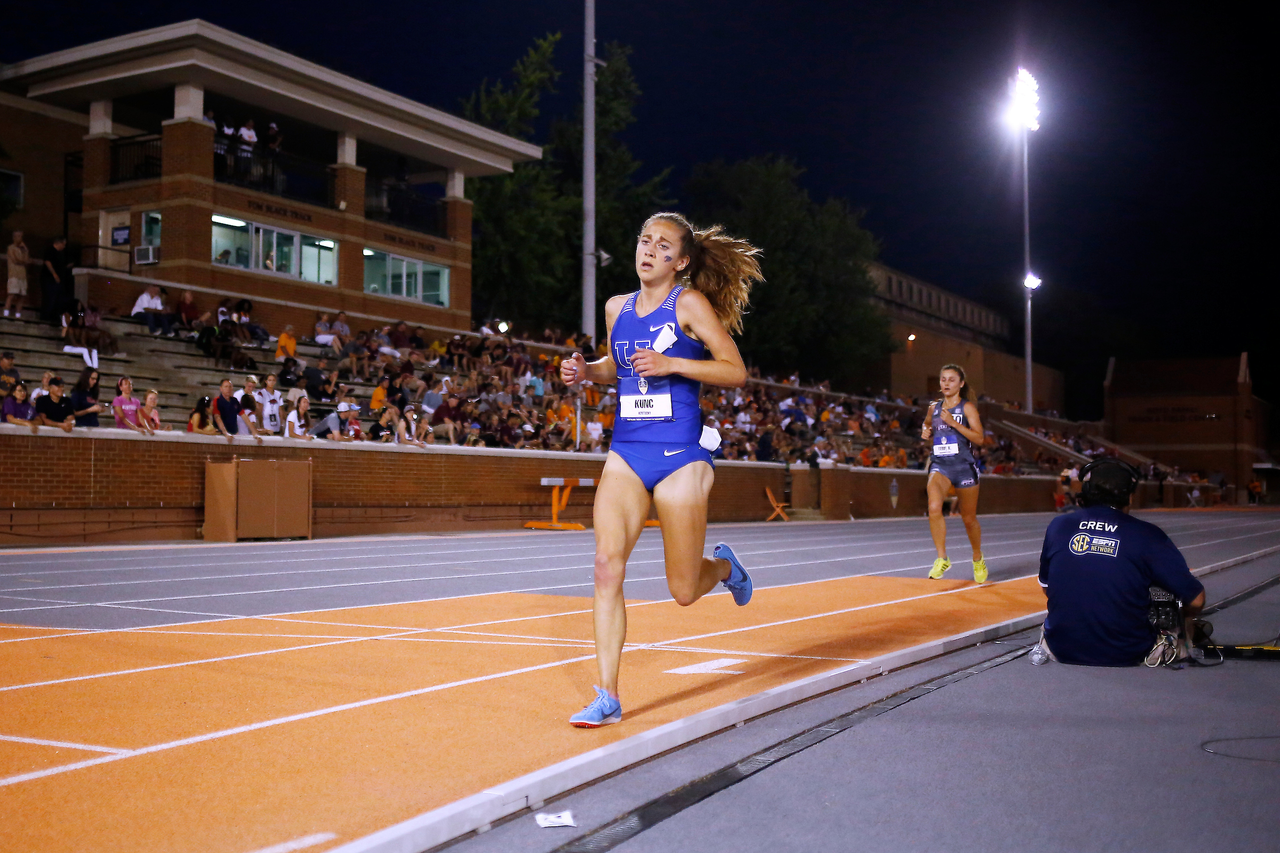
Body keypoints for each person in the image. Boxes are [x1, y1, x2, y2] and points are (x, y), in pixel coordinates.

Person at [559, 212, 763, 728]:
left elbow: (734, 370)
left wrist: (674, 364)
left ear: (682, 261)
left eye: (663, 246)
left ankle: (724, 568)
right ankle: (607, 695)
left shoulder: (689, 304)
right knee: (607, 566)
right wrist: (588, 371)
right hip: (627, 452)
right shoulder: (616, 308)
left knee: (684, 591)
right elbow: (617, 366)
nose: (649, 250)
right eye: (644, 240)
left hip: (680, 457)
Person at [1033, 457, 1205, 667]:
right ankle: (1183, 646)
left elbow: (1047, 588)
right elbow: (1197, 600)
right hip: (1128, 652)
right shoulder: (1147, 534)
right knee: (1166, 593)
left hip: (1060, 648)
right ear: (1130, 497)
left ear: (1086, 491)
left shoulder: (1058, 525)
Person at [920, 364, 988, 583]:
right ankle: (942, 558)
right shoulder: (934, 407)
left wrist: (953, 424)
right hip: (940, 464)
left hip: (964, 467)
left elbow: (979, 439)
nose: (946, 383)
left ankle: (977, 557)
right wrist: (926, 430)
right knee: (933, 507)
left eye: (951, 380)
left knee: (969, 519)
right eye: (943, 379)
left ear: (961, 384)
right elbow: (927, 425)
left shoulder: (967, 408)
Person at [213, 378, 260, 443]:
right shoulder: (217, 401)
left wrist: (254, 432)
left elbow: (244, 416)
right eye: (226, 387)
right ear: (221, 388)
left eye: (230, 386)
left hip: (234, 434)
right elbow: (217, 417)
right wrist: (225, 433)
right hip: (221, 435)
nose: (228, 389)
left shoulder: (234, 401)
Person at [5, 230, 35, 318]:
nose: (19, 238)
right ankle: (6, 314)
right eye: (18, 236)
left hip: (22, 275)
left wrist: (25, 250)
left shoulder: (23, 249)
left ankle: (18, 315)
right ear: (14, 237)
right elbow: (16, 260)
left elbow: (27, 260)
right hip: (14, 274)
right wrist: (24, 261)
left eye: (21, 236)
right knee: (11, 294)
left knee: (22, 296)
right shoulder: (11, 248)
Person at [40, 236, 71, 323]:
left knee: (57, 299)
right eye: (63, 244)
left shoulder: (60, 254)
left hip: (58, 280)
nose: (64, 247)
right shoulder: (50, 250)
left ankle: (54, 318)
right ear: (58, 243)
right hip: (49, 279)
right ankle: (45, 317)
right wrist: (54, 274)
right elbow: (47, 262)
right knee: (49, 298)